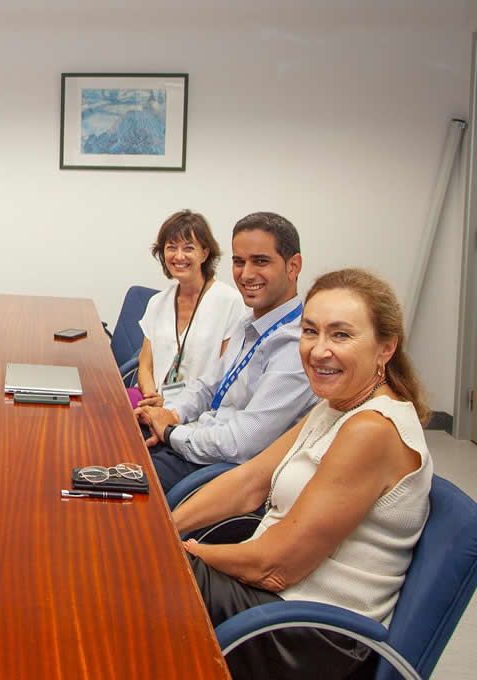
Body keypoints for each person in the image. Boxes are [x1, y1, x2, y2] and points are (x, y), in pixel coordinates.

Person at [172, 268, 433, 679]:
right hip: (271, 604)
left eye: (340, 335)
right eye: (310, 331)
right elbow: (250, 482)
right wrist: (163, 528)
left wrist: (181, 554)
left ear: (385, 348)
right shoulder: (334, 406)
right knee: (130, 566)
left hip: (307, 636)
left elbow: (274, 567)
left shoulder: (372, 429)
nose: (318, 350)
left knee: (139, 581)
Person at [136, 212, 318, 492]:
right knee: (103, 450)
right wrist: (171, 414)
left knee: (110, 488)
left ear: (293, 266)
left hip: (214, 471)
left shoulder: (296, 346)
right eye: (238, 261)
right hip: (194, 442)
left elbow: (241, 443)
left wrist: (171, 432)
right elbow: (208, 386)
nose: (246, 274)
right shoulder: (249, 323)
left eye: (260, 261)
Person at [133, 210, 247, 408]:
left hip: (198, 412)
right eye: (171, 248)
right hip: (153, 402)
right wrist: (152, 399)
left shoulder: (229, 301)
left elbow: (226, 375)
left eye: (188, 248)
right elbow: (145, 365)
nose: (178, 256)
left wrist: (169, 407)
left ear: (204, 253)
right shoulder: (157, 303)